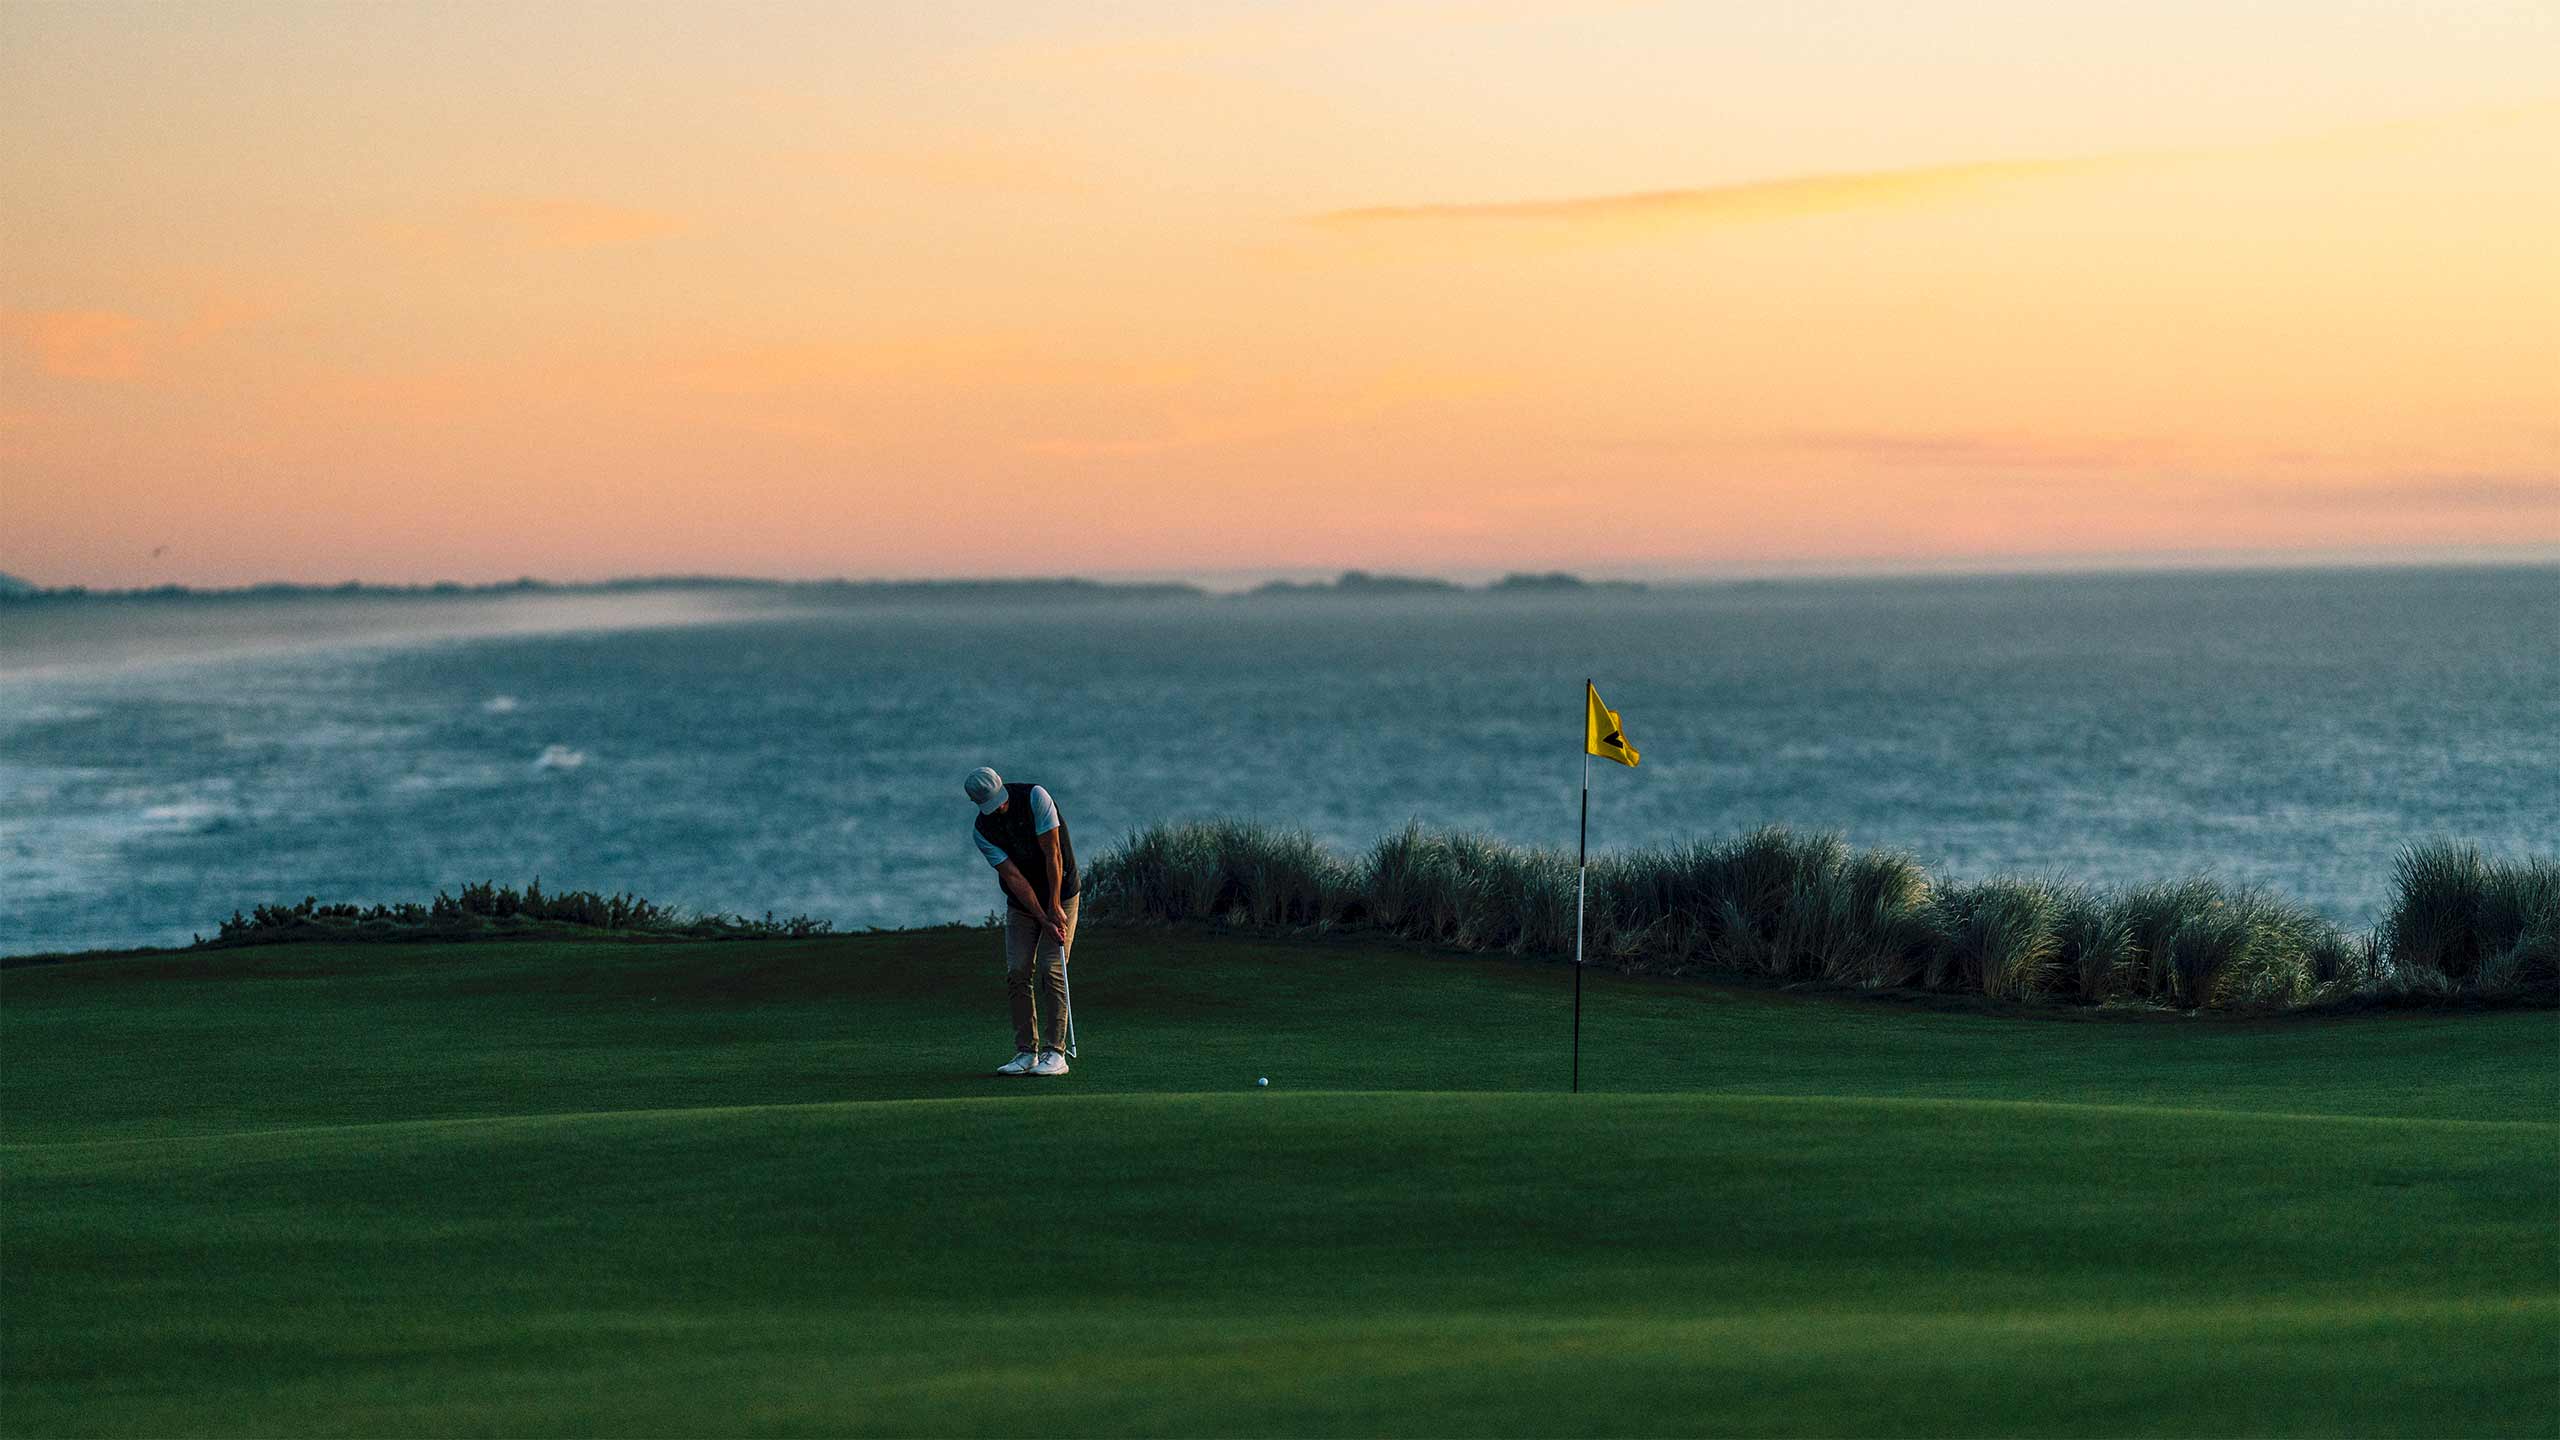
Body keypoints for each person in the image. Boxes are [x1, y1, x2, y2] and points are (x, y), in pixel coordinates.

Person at [963, 766, 1078, 1076]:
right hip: (1023, 903)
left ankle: (1056, 1053)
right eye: (990, 805)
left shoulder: (1036, 798)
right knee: (1017, 971)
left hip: (1062, 892)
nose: (999, 807)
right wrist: (1042, 916)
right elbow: (1014, 877)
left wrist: (1054, 906)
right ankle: (1027, 1053)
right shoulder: (982, 831)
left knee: (1052, 968)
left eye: (1000, 799)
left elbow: (1053, 854)